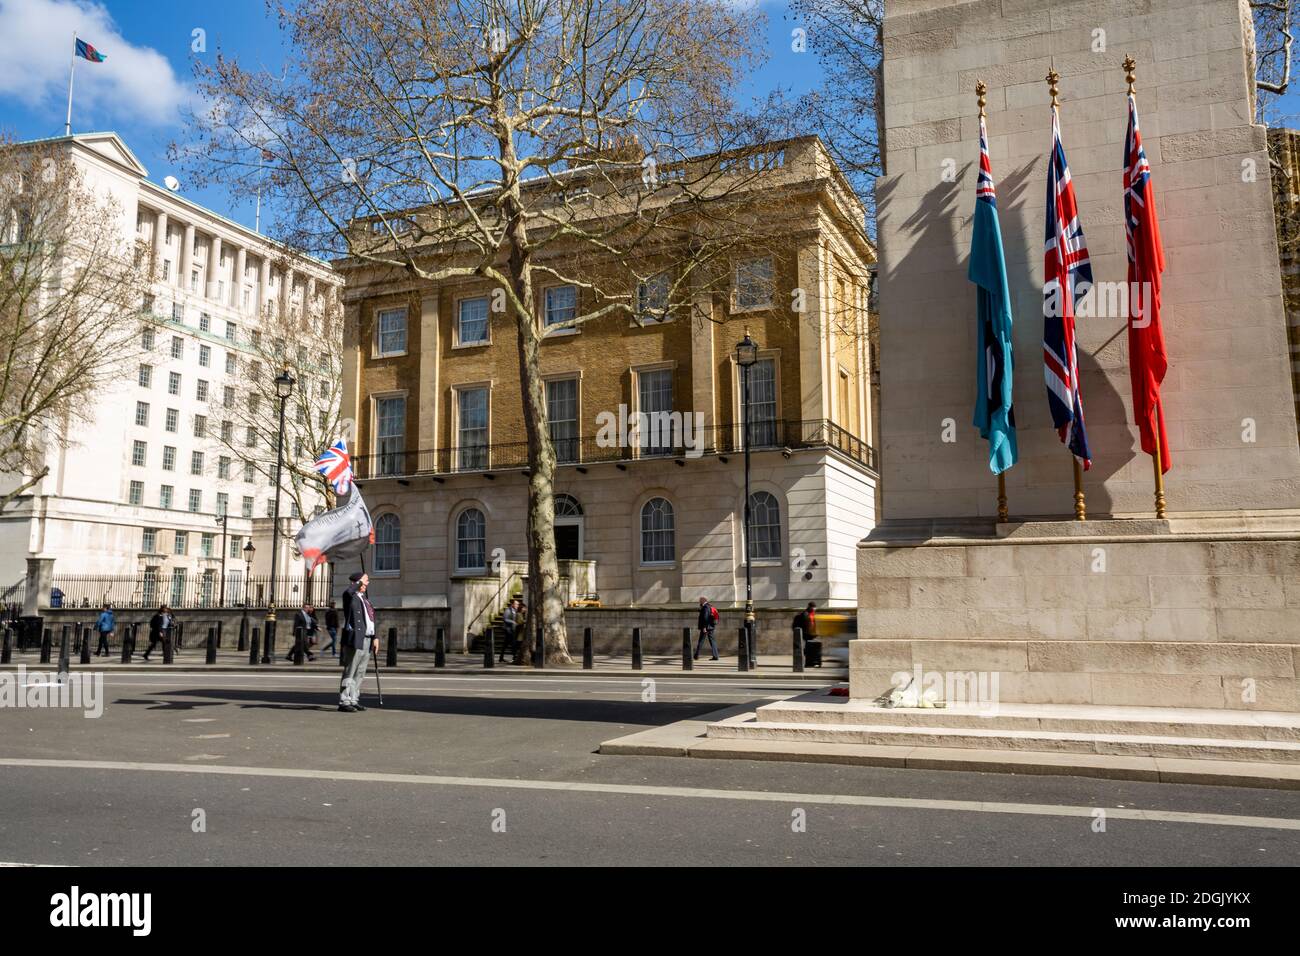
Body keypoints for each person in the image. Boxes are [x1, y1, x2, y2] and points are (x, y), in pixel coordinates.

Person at [338, 572, 377, 713]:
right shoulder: (350, 597)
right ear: (357, 582)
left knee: (360, 672)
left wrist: (375, 637)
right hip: (355, 639)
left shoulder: (365, 599)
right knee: (350, 670)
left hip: (367, 639)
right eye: (366, 581)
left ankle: (354, 699)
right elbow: (349, 590)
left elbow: (371, 619)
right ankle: (344, 700)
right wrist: (360, 581)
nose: (367, 583)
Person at [694, 596, 719, 660]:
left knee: (701, 641)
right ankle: (715, 656)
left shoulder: (705, 607)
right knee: (712, 641)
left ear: (703, 601)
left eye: (700, 600)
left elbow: (705, 618)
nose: (699, 602)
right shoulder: (709, 606)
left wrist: (704, 627)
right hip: (711, 627)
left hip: (706, 627)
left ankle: (696, 655)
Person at [498, 598, 518, 664]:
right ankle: (514, 657)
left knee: (505, 644)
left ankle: (501, 658)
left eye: (517, 604)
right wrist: (513, 622)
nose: (517, 605)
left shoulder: (515, 610)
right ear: (512, 604)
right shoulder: (508, 610)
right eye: (516, 604)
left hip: (512, 630)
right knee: (513, 643)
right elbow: (505, 619)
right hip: (508, 630)